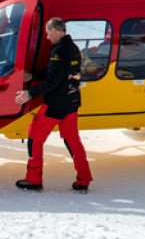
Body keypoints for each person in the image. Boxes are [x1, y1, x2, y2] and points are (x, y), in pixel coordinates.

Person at [14, 18, 93, 192]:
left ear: (55, 31)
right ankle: (84, 179)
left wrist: (30, 94)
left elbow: (53, 81)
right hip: (72, 101)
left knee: (34, 136)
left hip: (56, 104)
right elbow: (61, 74)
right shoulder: (73, 49)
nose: (47, 36)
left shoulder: (58, 50)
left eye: (48, 32)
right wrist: (33, 75)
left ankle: (33, 179)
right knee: (73, 141)